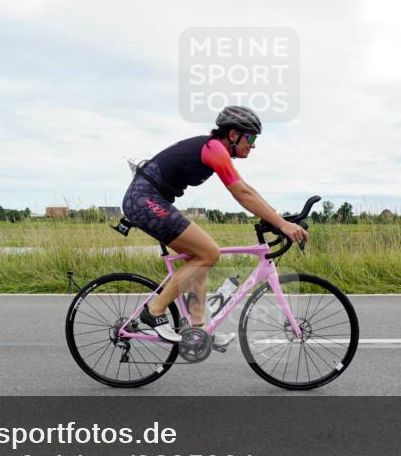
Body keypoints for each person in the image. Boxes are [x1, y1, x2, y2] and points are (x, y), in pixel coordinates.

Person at [121, 105, 309, 343]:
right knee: (208, 253)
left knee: (199, 257)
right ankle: (154, 311)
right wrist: (281, 225)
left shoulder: (214, 149)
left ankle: (197, 329)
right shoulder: (214, 149)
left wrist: (279, 218)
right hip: (143, 199)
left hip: (150, 199)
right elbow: (241, 193)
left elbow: (247, 189)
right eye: (250, 137)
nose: (252, 144)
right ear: (233, 134)